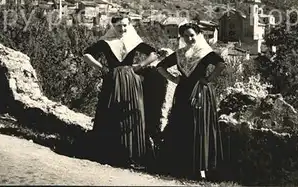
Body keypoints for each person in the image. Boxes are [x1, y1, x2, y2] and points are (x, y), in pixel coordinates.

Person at [83, 15, 158, 169]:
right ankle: (109, 154)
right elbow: (87, 54)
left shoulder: (133, 41)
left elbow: (154, 53)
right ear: (113, 26)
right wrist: (102, 68)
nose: (122, 29)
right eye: (119, 26)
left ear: (129, 26)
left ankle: (131, 155)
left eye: (125, 26)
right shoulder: (106, 42)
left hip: (131, 80)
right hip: (113, 80)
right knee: (110, 112)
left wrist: (140, 65)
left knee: (131, 113)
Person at [156, 22, 226, 180]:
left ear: (198, 35)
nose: (189, 38)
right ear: (182, 37)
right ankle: (181, 165)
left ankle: (201, 167)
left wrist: (208, 80)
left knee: (199, 125)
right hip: (182, 92)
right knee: (183, 124)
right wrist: (173, 78)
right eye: (186, 36)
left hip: (200, 92)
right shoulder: (179, 54)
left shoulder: (205, 52)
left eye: (192, 35)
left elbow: (221, 63)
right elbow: (160, 66)